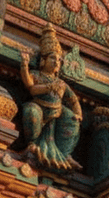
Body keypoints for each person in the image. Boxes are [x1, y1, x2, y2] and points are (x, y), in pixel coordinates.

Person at [20, 24, 82, 171]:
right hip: (39, 108)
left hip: (56, 114)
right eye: (53, 58)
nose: (56, 62)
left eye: (59, 60)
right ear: (43, 61)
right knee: (31, 111)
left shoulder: (61, 83)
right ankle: (32, 143)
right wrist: (24, 66)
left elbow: (73, 99)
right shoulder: (38, 75)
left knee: (72, 119)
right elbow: (31, 86)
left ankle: (65, 153)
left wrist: (78, 113)